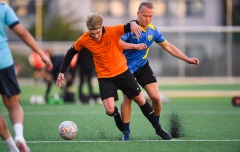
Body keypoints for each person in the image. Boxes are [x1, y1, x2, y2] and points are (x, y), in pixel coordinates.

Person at [56, 13, 172, 141]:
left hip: (123, 73)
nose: (95, 36)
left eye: (98, 32)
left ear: (102, 27)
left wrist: (133, 23)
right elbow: (71, 52)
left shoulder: (112, 31)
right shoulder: (84, 38)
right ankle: (120, 121)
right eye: (92, 33)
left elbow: (130, 25)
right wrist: (62, 71)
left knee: (140, 100)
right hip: (105, 78)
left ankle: (159, 130)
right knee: (109, 110)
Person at [119, 1, 200, 140]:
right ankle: (126, 133)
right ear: (138, 14)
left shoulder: (153, 31)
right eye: (144, 15)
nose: (147, 19)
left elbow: (169, 47)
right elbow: (116, 44)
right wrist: (133, 46)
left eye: (150, 16)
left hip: (143, 67)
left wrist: (187, 59)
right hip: (125, 69)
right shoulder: (129, 29)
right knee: (128, 98)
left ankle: (157, 126)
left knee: (156, 98)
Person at [0, 2, 53, 152]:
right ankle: (19, 136)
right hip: (4, 62)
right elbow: (22, 33)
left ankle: (14, 150)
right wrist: (41, 54)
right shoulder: (3, 9)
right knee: (13, 104)